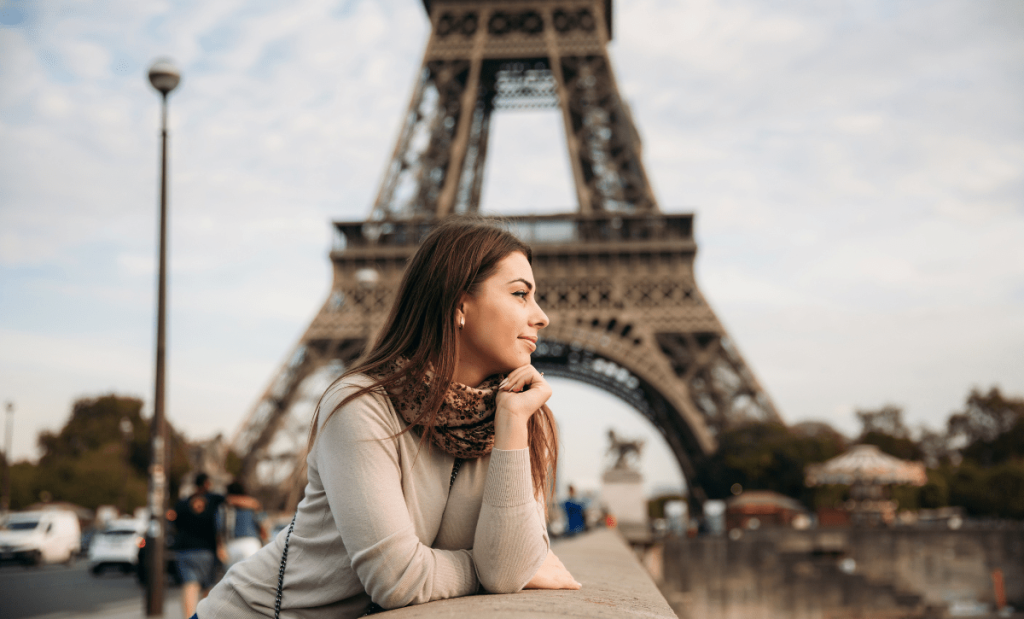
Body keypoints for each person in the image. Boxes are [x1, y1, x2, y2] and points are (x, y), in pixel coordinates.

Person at [198, 218, 580, 619]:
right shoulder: (359, 404)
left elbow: (506, 574)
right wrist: (482, 567)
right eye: (520, 294)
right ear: (459, 306)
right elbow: (397, 580)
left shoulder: (518, 415)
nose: (541, 317)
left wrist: (513, 425)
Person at [169, 472, 260, 619]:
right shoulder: (214, 499)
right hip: (206, 550)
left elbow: (173, 522)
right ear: (207, 484)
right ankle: (204, 615)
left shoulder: (182, 503)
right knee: (207, 587)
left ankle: (188, 617)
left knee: (189, 585)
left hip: (185, 550)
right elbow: (240, 504)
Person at [221, 481, 268, 569]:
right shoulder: (254, 505)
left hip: (232, 545)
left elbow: (220, 528)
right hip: (252, 544)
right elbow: (262, 527)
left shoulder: (224, 506)